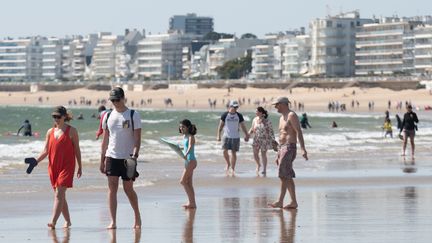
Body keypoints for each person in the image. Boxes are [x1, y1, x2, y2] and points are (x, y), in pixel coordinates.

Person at [100, 87, 142, 229]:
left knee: (128, 189)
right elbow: (105, 140)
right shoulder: (107, 115)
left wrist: (135, 155)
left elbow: (137, 139)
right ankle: (113, 221)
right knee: (112, 188)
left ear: (124, 98)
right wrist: (102, 159)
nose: (115, 102)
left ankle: (137, 216)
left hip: (128, 159)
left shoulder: (133, 115)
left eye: (117, 99)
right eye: (112, 100)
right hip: (111, 156)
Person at [35, 106, 82, 229]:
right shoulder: (50, 132)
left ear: (64, 117)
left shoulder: (72, 131)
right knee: (60, 195)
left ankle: (53, 222)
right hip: (53, 167)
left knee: (59, 194)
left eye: (58, 116)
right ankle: (68, 221)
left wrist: (80, 166)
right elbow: (45, 151)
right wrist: (36, 161)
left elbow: (77, 149)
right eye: (54, 116)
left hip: (67, 166)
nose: (56, 119)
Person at [268, 97, 308, 210]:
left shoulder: (291, 115)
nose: (275, 107)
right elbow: (281, 136)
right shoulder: (281, 118)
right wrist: (278, 154)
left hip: (290, 147)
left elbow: (298, 132)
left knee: (283, 175)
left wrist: (303, 149)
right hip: (282, 148)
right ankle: (293, 202)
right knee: (287, 176)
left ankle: (280, 201)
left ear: (283, 104)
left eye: (277, 105)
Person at [216, 100, 249, 175]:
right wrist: (218, 135)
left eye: (237, 107)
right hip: (226, 136)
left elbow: (243, 126)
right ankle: (228, 163)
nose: (236, 108)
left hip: (235, 137)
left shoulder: (239, 115)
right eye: (234, 106)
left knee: (233, 153)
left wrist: (246, 135)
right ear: (230, 106)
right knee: (224, 151)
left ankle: (233, 168)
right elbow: (220, 126)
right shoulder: (225, 115)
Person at [248, 107, 277, 175]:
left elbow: (271, 131)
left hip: (264, 139)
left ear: (261, 112)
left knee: (263, 154)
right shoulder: (254, 119)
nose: (255, 112)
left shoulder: (267, 120)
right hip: (256, 139)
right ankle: (258, 164)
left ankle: (264, 169)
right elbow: (252, 128)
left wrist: (273, 140)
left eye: (257, 111)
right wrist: (248, 134)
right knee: (255, 154)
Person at [179, 119, 198, 209]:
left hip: (191, 161)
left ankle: (192, 202)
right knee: (189, 183)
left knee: (182, 181)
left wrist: (185, 154)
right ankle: (192, 203)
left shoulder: (191, 136)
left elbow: (190, 146)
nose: (181, 128)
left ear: (188, 127)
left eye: (183, 127)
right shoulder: (184, 136)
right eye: (180, 126)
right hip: (187, 161)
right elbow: (184, 147)